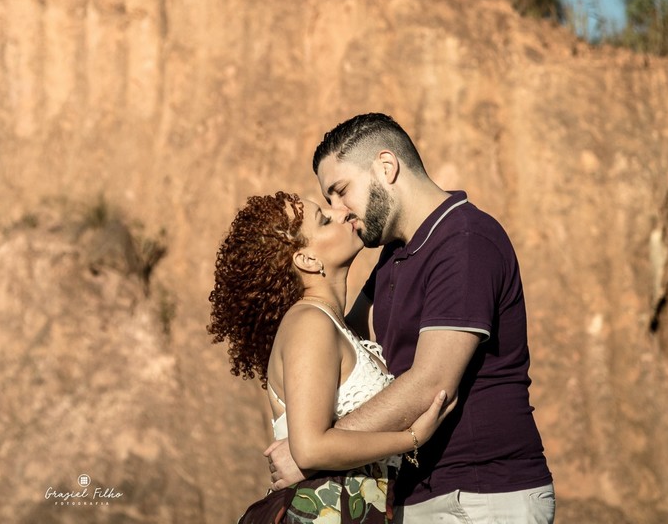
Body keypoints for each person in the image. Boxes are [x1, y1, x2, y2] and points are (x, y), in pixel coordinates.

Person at [266, 113, 554, 523]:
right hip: (414, 497)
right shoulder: (394, 258)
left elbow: (430, 384)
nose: (340, 210)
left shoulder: (464, 240)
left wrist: (310, 453)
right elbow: (338, 343)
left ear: (386, 167)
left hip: (481, 495)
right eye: (328, 202)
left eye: (341, 190)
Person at [209, 190, 454, 523]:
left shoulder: (335, 325)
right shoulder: (309, 323)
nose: (341, 212)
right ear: (307, 260)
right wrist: (411, 438)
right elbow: (309, 449)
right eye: (324, 219)